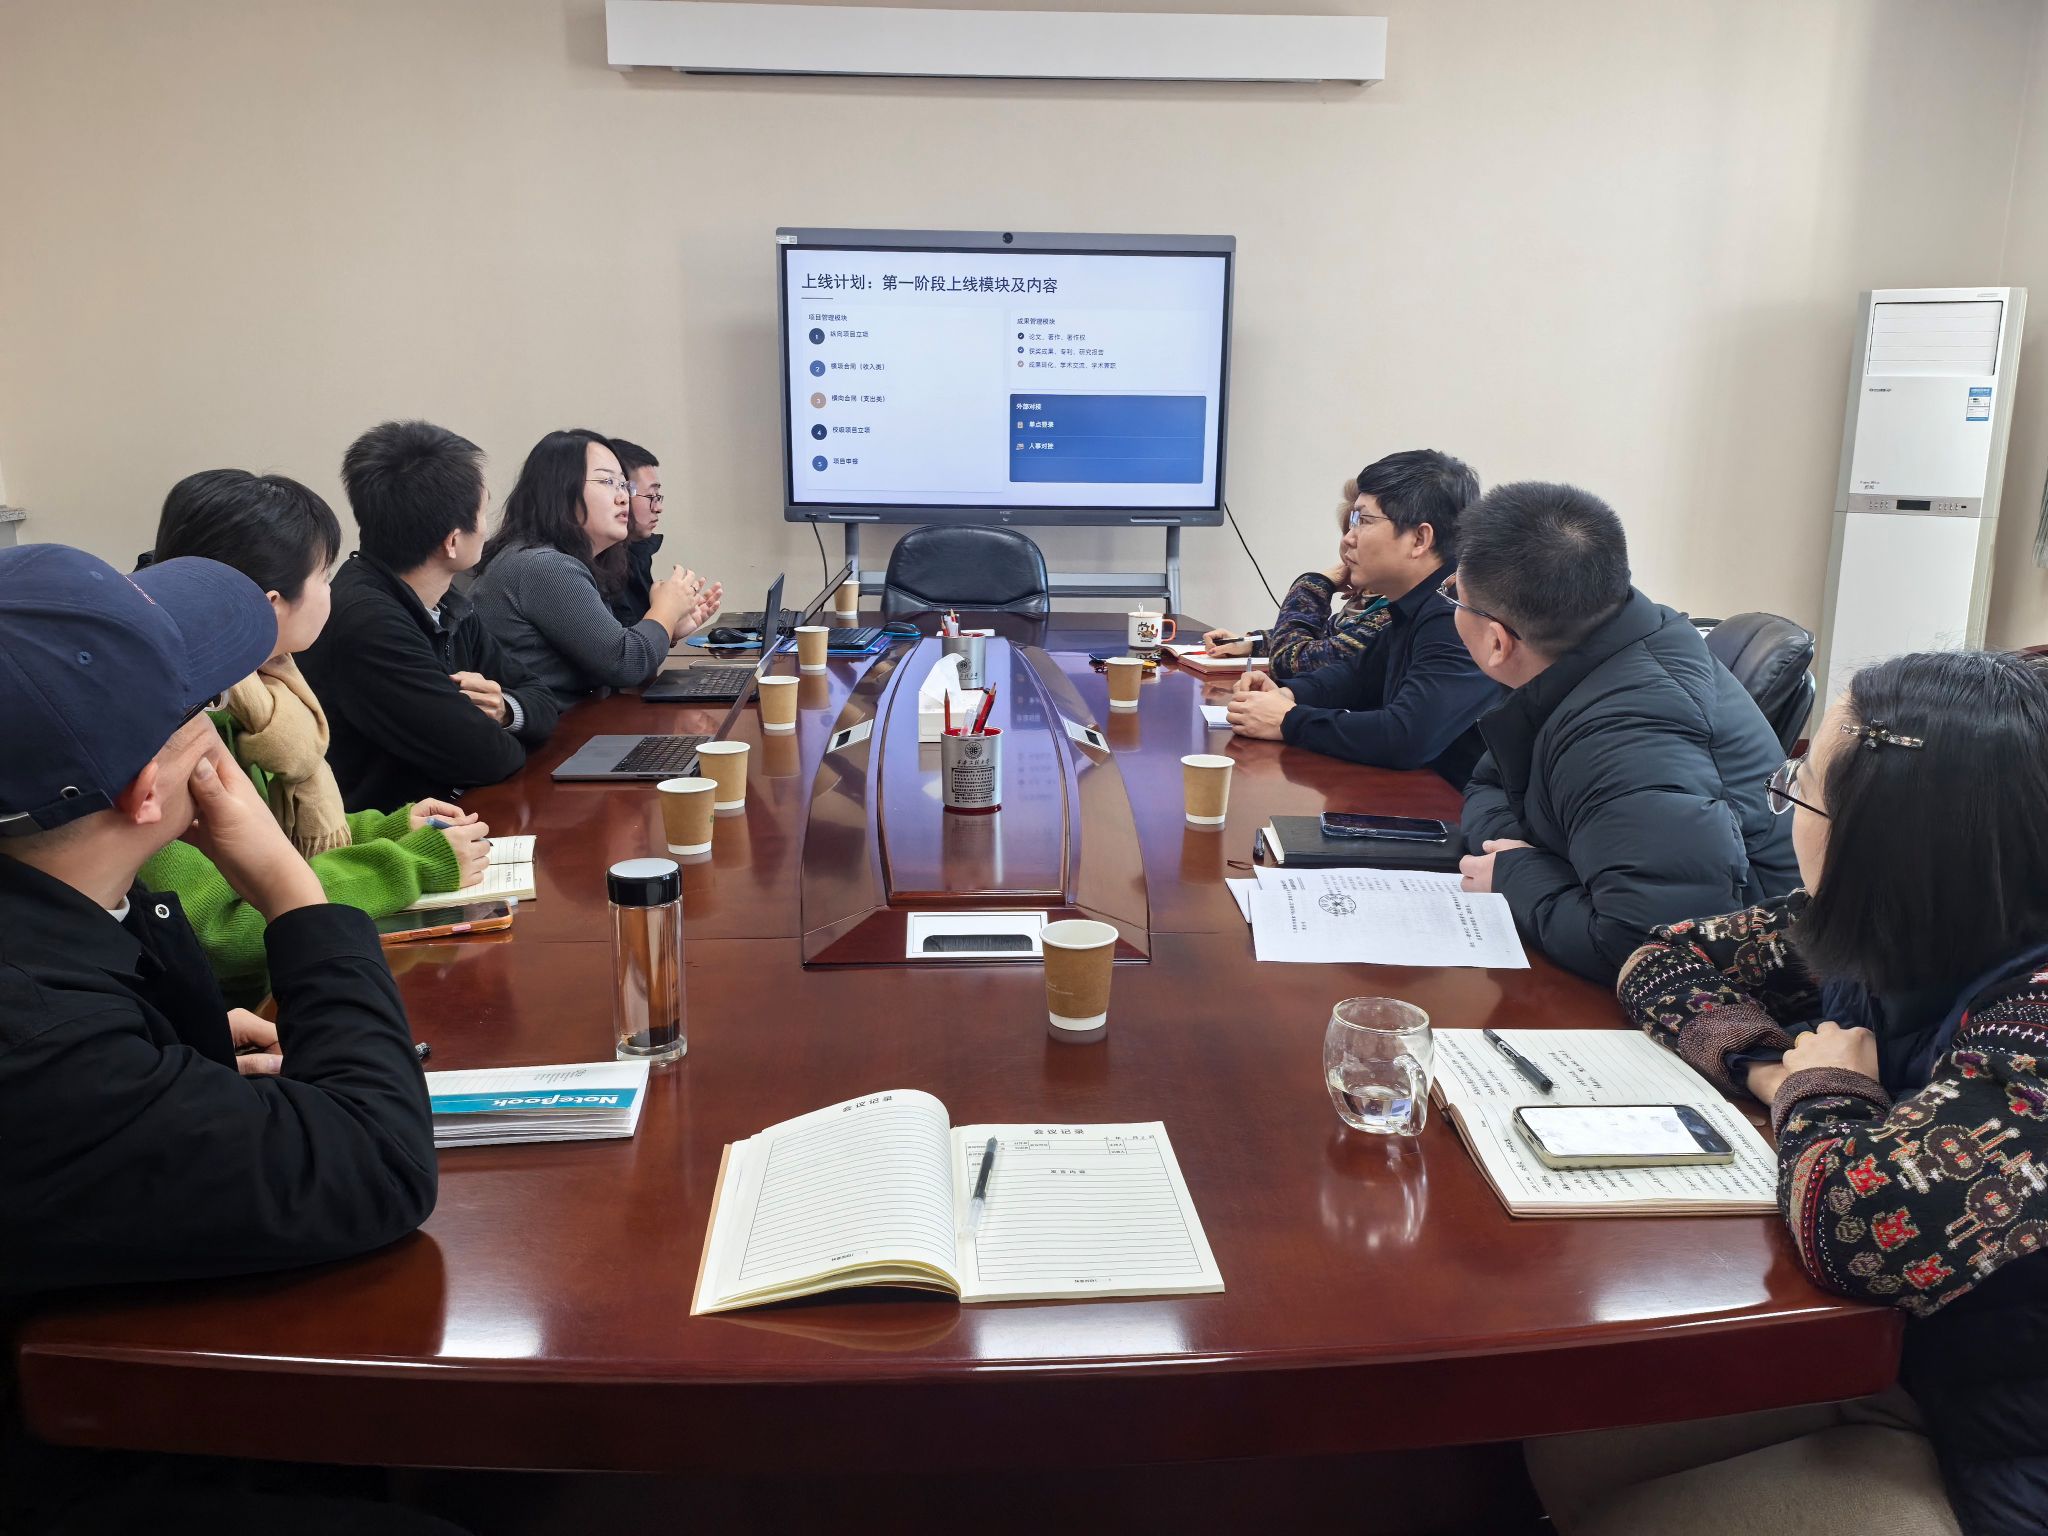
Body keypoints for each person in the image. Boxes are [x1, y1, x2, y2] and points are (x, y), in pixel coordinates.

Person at [1529, 649, 2048, 1536]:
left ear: (1883, 839)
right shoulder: (1890, 921)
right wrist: (1775, 1069)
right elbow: (1662, 959)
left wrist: (1823, 1091)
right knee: (1566, 1425)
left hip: (1999, 1449)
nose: (1788, 811)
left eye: (1799, 792)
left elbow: (1861, 1227)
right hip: (1907, 1361)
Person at [0, 543, 453, 1533]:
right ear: (146, 790)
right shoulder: (43, 1044)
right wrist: (292, 887)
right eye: (197, 707)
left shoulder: (68, 914)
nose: (219, 730)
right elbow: (380, 1163)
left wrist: (180, 1053)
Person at [143, 470, 490, 1001]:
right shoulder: (179, 724)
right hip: (239, 1015)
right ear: (270, 603)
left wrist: (388, 829)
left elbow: (268, 846)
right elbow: (223, 929)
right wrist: (411, 864)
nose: (333, 591)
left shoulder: (261, 694)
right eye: (324, 576)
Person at [1448, 482, 1795, 983]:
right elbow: (1489, 785)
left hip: (1746, 989)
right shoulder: (1600, 651)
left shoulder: (1627, 732)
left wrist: (1517, 875)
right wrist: (1542, 861)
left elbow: (1655, 946)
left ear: (1498, 642)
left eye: (1455, 597)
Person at [300, 420, 559, 811]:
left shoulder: (445, 600)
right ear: (452, 541)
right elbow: (486, 756)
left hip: (453, 812)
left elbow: (540, 697)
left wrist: (506, 709)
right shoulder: (368, 623)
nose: (486, 530)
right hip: (389, 834)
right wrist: (492, 725)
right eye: (483, 512)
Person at [1224, 449, 1501, 785]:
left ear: (1419, 539)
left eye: (1364, 521)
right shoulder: (1420, 603)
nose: (1348, 538)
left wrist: (1288, 720)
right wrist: (1288, 694)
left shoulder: (1456, 613)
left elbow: (1405, 737)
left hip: (1460, 808)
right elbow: (1355, 677)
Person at [469, 429, 721, 713]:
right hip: (547, 736)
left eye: (624, 484)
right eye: (607, 481)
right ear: (560, 489)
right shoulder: (543, 566)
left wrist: (668, 629)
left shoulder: (558, 559)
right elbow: (625, 664)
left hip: (575, 724)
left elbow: (606, 657)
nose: (623, 497)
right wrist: (665, 611)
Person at [1202, 474, 1393, 680]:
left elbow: (1289, 663)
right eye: (1350, 528)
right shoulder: (1365, 604)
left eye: (1363, 524)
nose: (1347, 540)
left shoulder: (1389, 619)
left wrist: (1316, 584)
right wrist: (1251, 643)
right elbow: (1326, 638)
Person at [605, 436, 665, 628]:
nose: (658, 508)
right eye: (651, 496)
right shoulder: (585, 566)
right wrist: (666, 614)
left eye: (658, 496)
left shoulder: (635, 554)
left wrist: (673, 630)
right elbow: (623, 645)